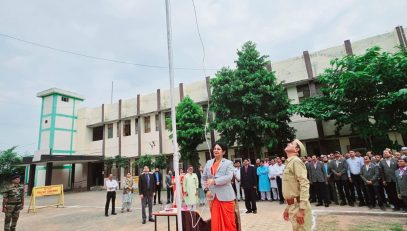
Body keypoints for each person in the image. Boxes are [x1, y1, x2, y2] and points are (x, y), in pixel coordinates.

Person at [202, 142, 239, 231]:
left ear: (223, 152)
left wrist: (214, 181)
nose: (216, 150)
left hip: (226, 197)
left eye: (218, 149)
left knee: (229, 223)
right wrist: (206, 190)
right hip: (213, 198)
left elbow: (229, 177)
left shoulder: (228, 163)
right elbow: (203, 178)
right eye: (214, 149)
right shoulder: (208, 163)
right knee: (215, 222)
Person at [282, 139, 312, 231]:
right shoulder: (289, 163)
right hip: (293, 206)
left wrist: (302, 209)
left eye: (291, 143)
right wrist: (288, 207)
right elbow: (292, 188)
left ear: (297, 149)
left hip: (299, 206)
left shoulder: (296, 161)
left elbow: (304, 184)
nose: (288, 143)